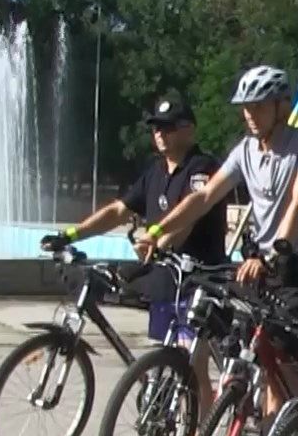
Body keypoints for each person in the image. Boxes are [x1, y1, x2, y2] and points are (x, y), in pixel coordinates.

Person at [157, 65, 298, 414]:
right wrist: (160, 232)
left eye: (259, 106)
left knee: (278, 366)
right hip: (257, 266)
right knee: (242, 347)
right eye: (245, 107)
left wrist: (272, 255)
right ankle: (268, 421)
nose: (249, 114)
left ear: (282, 107)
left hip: (294, 266)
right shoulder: (246, 149)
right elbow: (204, 198)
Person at [41, 95, 226, 407]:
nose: (160, 134)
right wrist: (70, 234)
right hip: (166, 279)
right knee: (168, 358)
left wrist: (158, 242)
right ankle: (177, 424)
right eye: (156, 128)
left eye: (168, 127)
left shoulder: (202, 168)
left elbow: (188, 219)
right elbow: (118, 211)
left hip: (199, 279)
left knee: (193, 366)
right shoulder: (155, 172)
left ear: (188, 130)